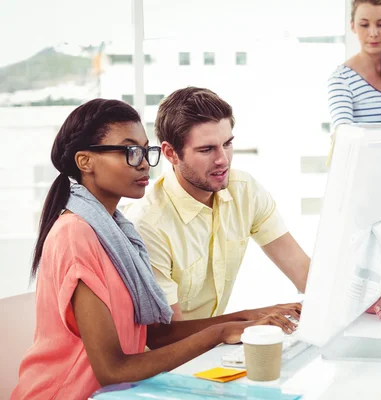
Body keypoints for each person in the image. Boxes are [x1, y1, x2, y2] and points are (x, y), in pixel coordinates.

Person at [11, 99, 296, 400]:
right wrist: (221, 332)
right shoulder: (76, 234)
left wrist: (246, 320)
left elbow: (150, 335)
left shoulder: (116, 232)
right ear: (86, 162)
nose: (145, 163)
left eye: (146, 151)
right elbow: (113, 369)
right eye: (130, 152)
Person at [124, 87, 381, 322]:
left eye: (227, 144)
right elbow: (169, 335)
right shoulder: (148, 224)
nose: (223, 160)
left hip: (210, 352)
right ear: (171, 153)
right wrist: (248, 321)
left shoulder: (245, 191)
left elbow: (302, 271)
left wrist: (360, 299)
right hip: (165, 368)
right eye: (207, 149)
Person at [327, 0, 381, 133]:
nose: (373, 33)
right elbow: (342, 137)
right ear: (353, 26)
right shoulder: (341, 79)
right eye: (364, 25)